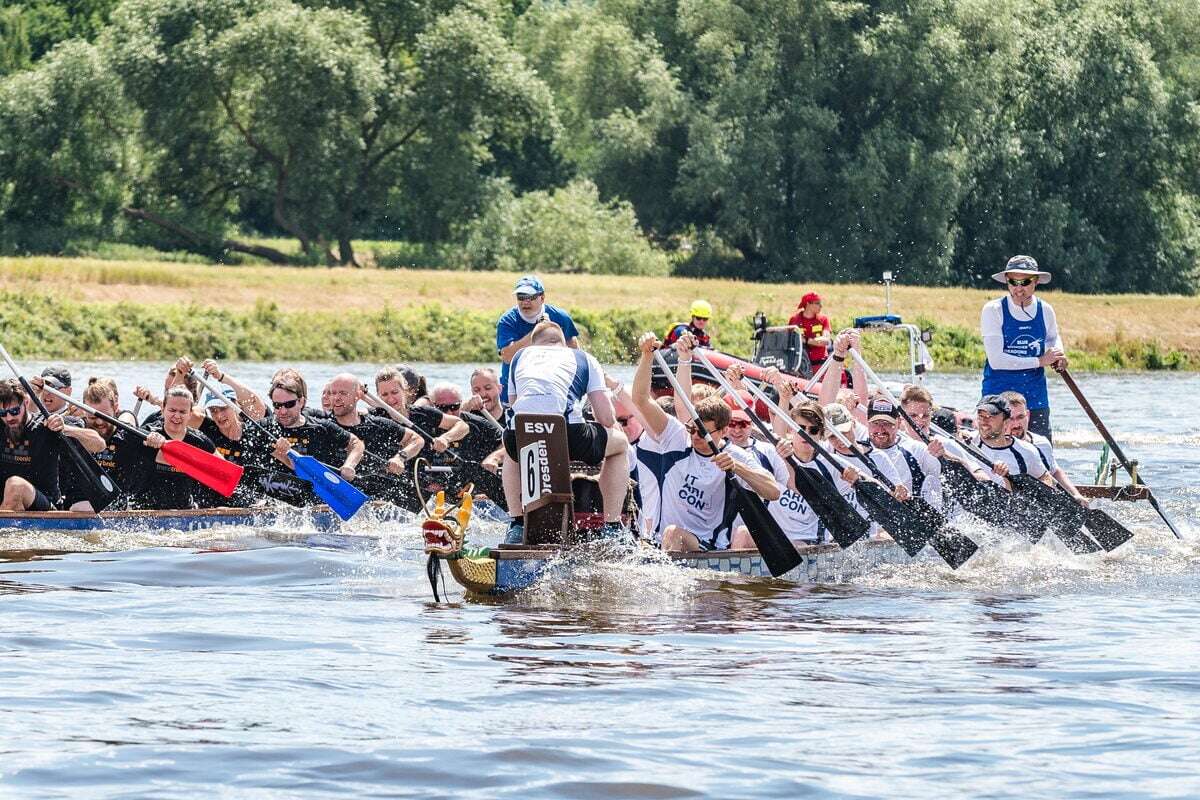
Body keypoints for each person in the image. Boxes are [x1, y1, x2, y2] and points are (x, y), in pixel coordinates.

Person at [631, 332, 779, 553]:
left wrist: (737, 468)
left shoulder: (733, 455)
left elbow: (773, 491)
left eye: (703, 433)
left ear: (722, 431)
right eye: (692, 429)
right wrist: (646, 356)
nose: (695, 436)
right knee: (671, 533)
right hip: (666, 543)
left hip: (707, 545)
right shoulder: (677, 436)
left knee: (673, 533)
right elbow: (640, 400)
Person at [501, 321, 629, 543]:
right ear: (563, 342)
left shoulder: (519, 357)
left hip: (523, 432)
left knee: (512, 450)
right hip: (568, 432)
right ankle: (612, 528)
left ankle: (517, 524)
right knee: (620, 445)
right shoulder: (583, 357)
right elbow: (606, 418)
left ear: (535, 344)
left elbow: (514, 404)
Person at [981, 255, 1066, 441]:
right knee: (996, 456)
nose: (1018, 288)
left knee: (1041, 455)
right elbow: (996, 361)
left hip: (1034, 398)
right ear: (1006, 281)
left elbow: (1052, 338)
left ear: (1036, 281)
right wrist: (1040, 361)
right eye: (1013, 282)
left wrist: (1058, 354)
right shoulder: (993, 310)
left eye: (1025, 282)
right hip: (997, 398)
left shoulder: (1046, 310)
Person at [264, 369, 364, 506]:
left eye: (289, 404)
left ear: (301, 401)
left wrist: (349, 465)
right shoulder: (264, 429)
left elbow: (356, 443)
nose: (282, 411)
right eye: (277, 405)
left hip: (316, 501)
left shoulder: (321, 427)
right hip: (278, 500)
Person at [113, 385, 221, 510]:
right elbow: (122, 442)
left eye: (182, 412)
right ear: (163, 409)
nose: (177, 416)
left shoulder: (200, 441)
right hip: (144, 512)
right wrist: (145, 442)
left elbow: (223, 470)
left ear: (190, 414)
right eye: (172, 410)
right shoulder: (147, 433)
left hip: (184, 511)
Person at [0, 378, 86, 511]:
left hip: (46, 505)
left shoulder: (46, 426)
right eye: (3, 413)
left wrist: (66, 429)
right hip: (6, 503)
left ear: (26, 403)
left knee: (15, 485)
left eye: (15, 411)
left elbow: (99, 444)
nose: (9, 418)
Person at [496, 275, 579, 405]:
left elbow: (575, 353)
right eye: (521, 297)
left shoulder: (560, 317)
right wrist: (538, 329)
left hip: (554, 391)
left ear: (542, 298)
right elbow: (507, 356)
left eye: (530, 297)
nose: (525, 302)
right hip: (514, 395)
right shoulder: (507, 321)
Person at [1001, 390, 1087, 504]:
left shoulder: (1042, 443)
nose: (1016, 424)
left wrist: (1076, 495)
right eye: (1011, 419)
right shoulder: (994, 447)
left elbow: (1055, 471)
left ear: (1028, 415)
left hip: (1043, 503)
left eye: (1020, 417)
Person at [788, 292, 832, 374]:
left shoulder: (823, 319)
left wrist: (805, 340)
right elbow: (789, 340)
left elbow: (825, 341)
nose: (821, 306)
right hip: (800, 366)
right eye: (817, 303)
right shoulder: (794, 320)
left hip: (820, 365)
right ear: (808, 304)